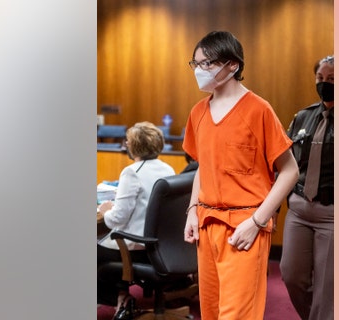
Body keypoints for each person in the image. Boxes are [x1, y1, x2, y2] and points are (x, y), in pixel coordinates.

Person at [182, 31, 299, 320]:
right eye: (195, 64)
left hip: (244, 227)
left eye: (207, 63)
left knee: (236, 315)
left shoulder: (259, 110)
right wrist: (192, 210)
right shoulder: (198, 112)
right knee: (210, 312)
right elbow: (202, 168)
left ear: (232, 65)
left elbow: (290, 171)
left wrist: (257, 221)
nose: (199, 71)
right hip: (208, 226)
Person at [97, 121, 175, 320]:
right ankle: (122, 296)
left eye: (128, 141)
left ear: (134, 145)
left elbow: (117, 218)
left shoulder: (132, 172)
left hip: (137, 248)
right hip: (162, 248)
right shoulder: (168, 169)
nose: (126, 144)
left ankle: (120, 297)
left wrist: (106, 210)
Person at [280, 55, 335, 320]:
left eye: (333, 79)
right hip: (299, 210)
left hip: (333, 214)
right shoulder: (303, 117)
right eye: (321, 79)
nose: (325, 84)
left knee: (327, 291)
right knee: (291, 276)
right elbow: (286, 163)